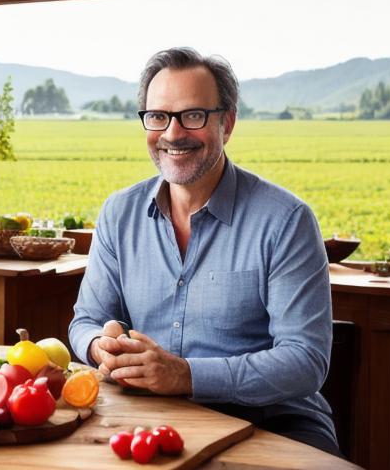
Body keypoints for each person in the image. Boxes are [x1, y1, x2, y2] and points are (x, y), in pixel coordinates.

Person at [68, 47, 340, 456]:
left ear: (226, 124)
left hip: (273, 422)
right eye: (158, 116)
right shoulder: (119, 213)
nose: (173, 133)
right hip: (153, 416)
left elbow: (305, 362)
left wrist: (186, 376)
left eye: (192, 116)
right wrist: (97, 346)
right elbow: (86, 320)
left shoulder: (287, 220)